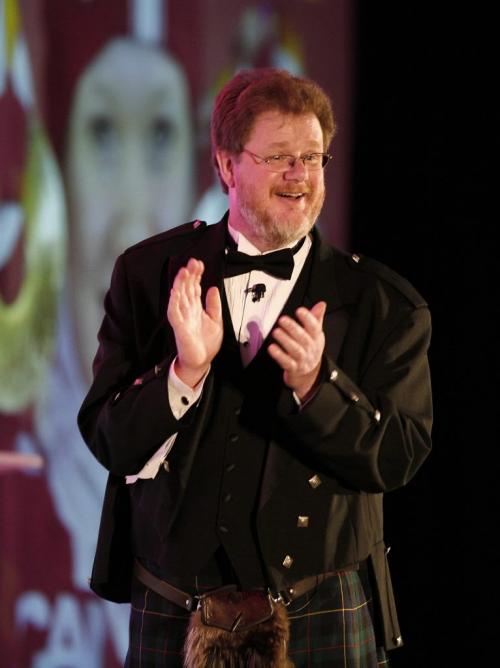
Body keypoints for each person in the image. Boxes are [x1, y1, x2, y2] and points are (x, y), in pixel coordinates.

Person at [78, 68, 432, 667]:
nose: (300, 176)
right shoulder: (147, 277)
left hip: (319, 606)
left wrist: (318, 389)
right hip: (176, 606)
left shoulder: (383, 304)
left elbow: (399, 455)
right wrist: (184, 373)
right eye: (278, 158)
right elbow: (110, 441)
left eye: (313, 157)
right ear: (225, 165)